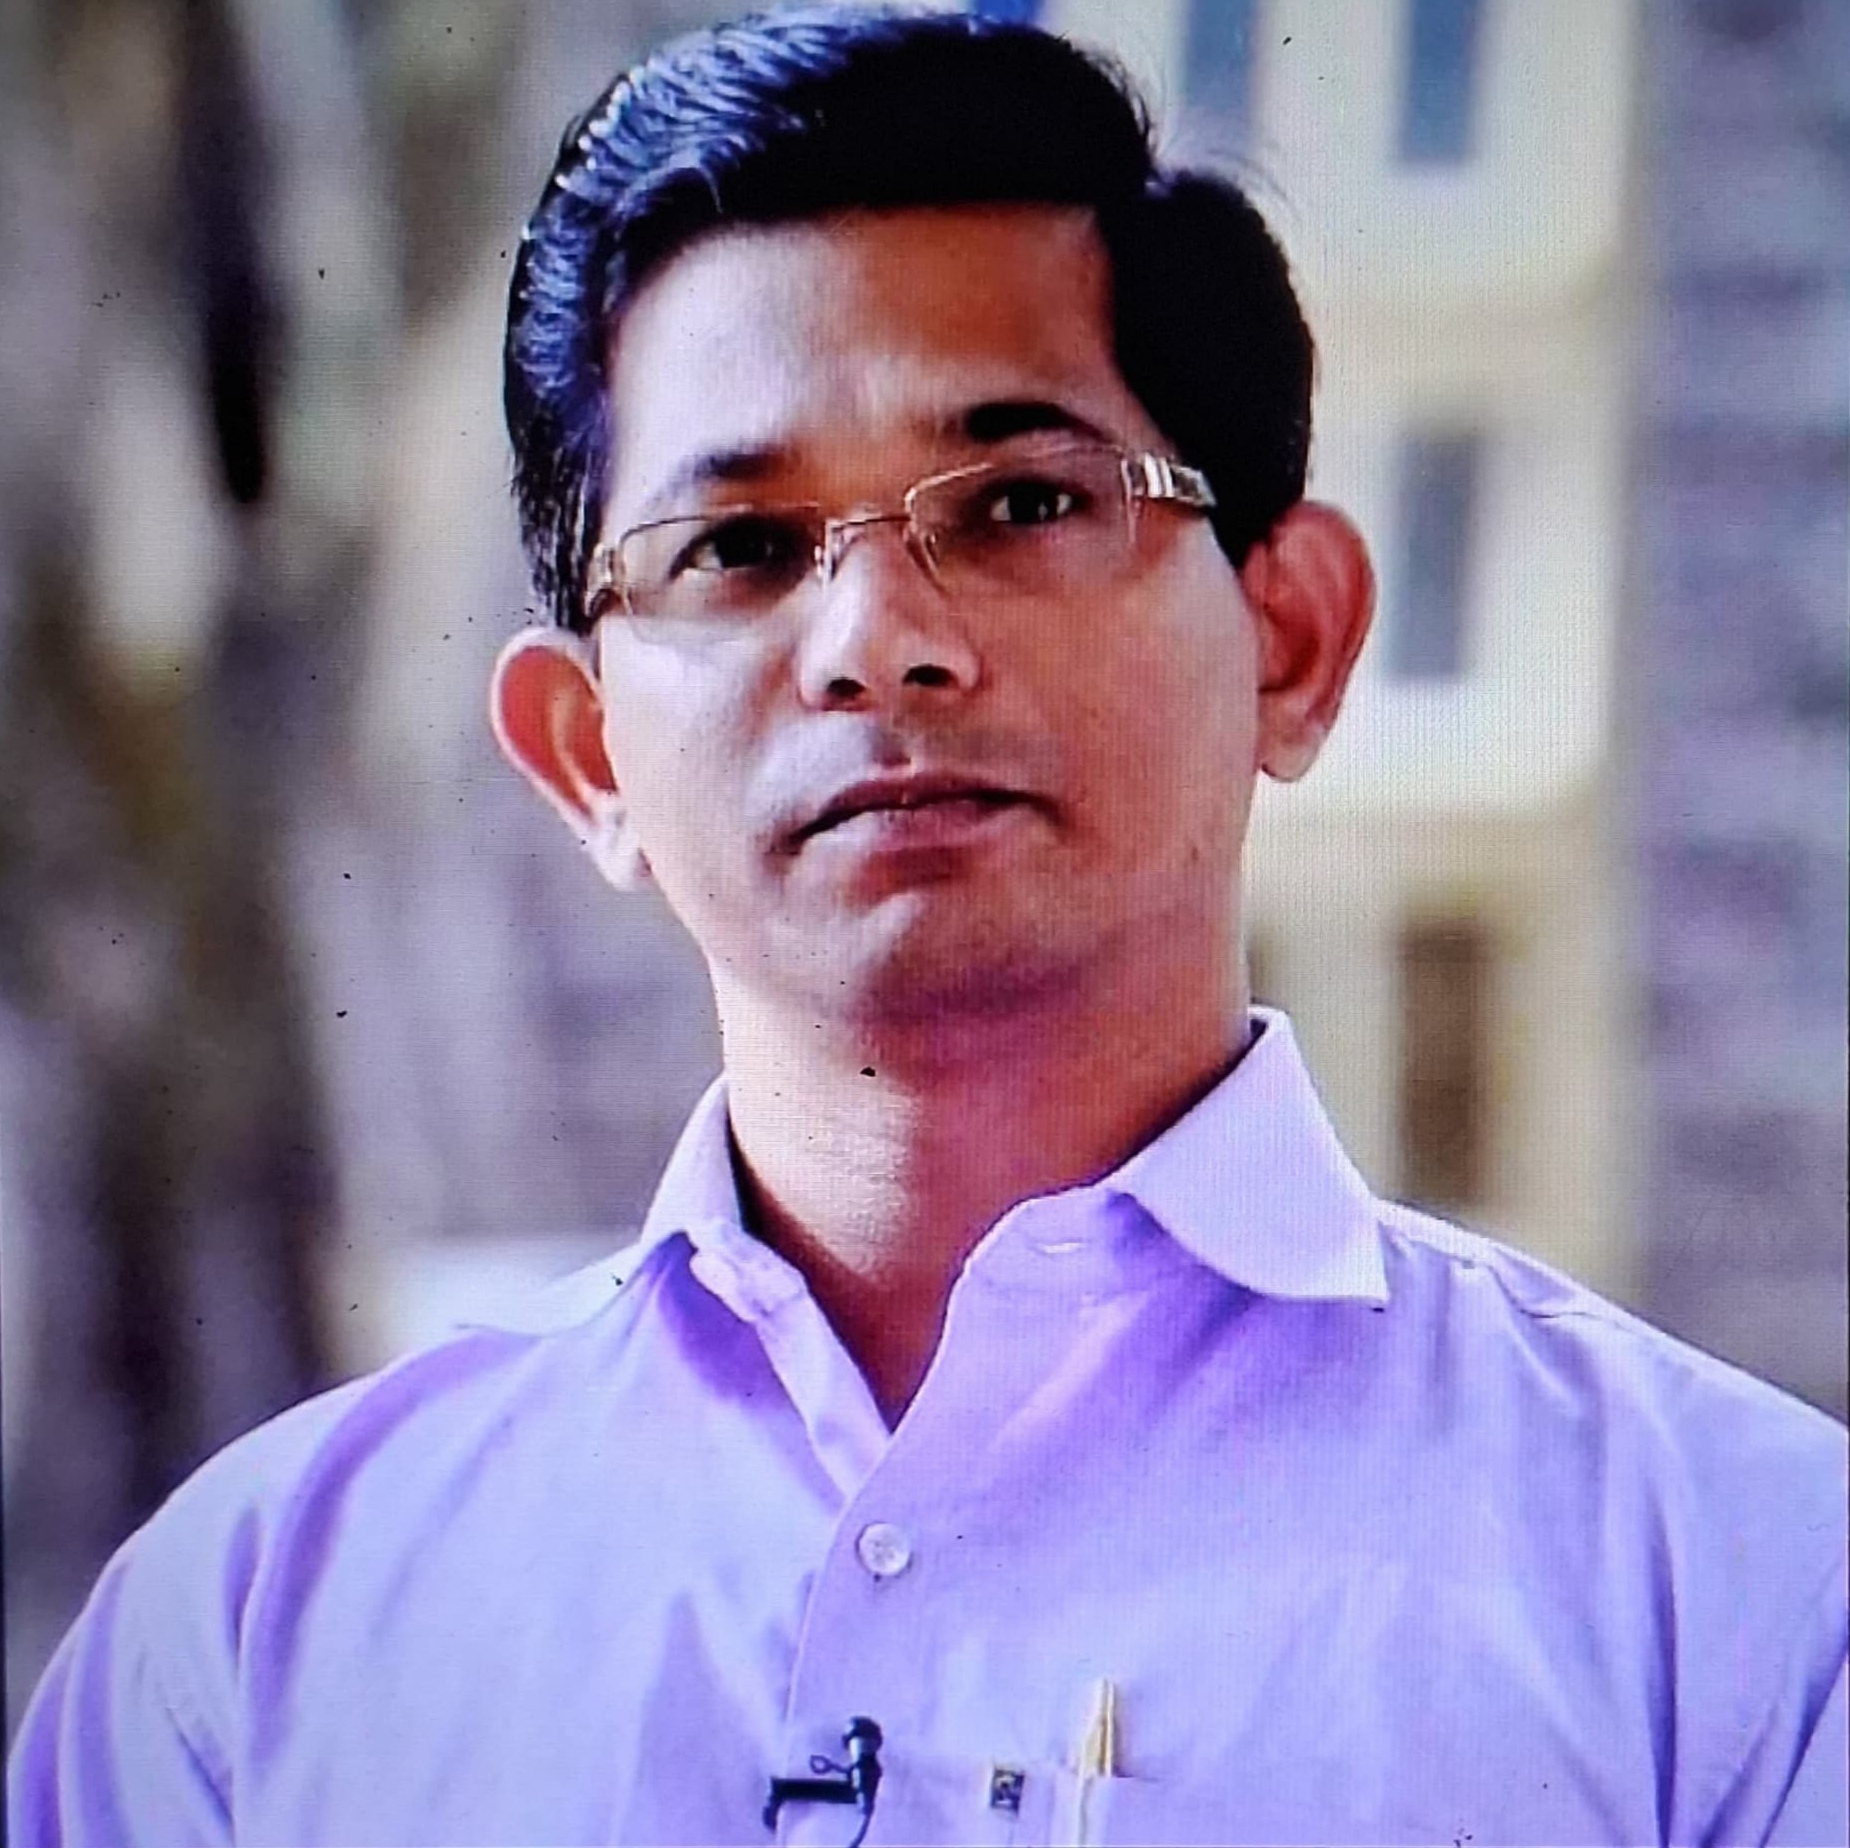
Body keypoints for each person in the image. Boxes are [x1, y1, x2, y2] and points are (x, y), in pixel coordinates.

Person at [10, 8, 1845, 1845]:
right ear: (585, 757)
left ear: (1289, 639)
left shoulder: (1731, 1606)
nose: (878, 639)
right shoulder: (257, 1645)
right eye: (737, 548)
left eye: (1024, 502)